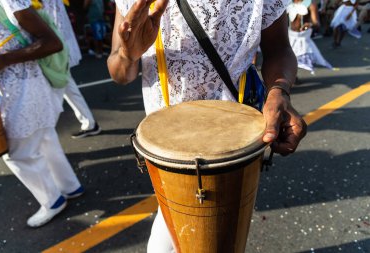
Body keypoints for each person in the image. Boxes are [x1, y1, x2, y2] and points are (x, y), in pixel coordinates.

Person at [107, 0, 307, 251]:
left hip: (235, 140)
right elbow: (120, 73)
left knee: (218, 233)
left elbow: (278, 49)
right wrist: (128, 55)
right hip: (166, 144)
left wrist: (280, 91)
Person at [0, 0, 83, 227]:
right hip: (23, 90)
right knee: (45, 140)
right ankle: (70, 186)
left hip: (23, 92)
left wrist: (4, 59)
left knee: (17, 155)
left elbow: (52, 42)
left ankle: (52, 201)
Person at [40, 0, 102, 138]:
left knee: (57, 90)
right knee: (66, 87)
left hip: (56, 48)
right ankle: (89, 123)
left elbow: (54, 21)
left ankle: (43, 136)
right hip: (57, 46)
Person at [287, 0, 333, 75]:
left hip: (302, 36)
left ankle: (293, 77)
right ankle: (293, 77)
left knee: (296, 58)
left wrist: (310, 24)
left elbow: (316, 23)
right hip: (289, 35)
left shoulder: (310, 3)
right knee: (288, 58)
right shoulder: (288, 2)